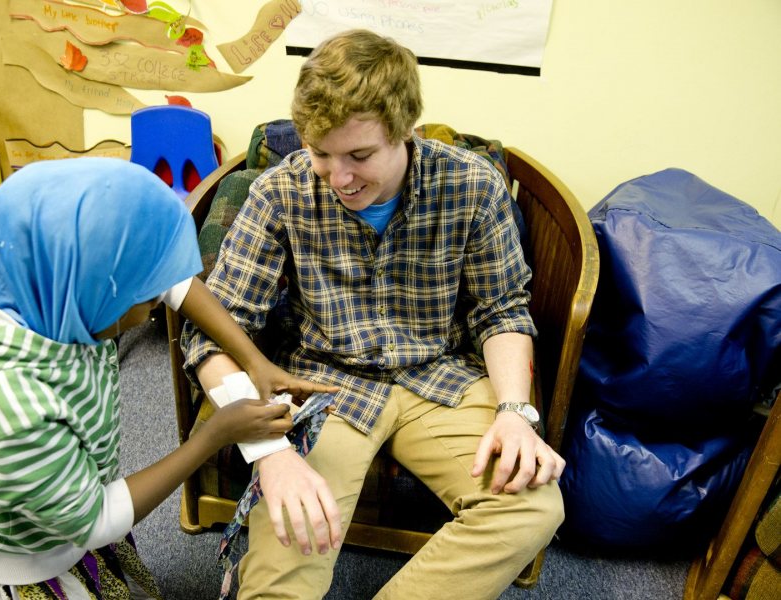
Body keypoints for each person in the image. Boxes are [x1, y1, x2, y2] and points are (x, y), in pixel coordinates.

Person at [181, 29, 566, 599]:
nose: (339, 178)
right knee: (279, 573)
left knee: (532, 509)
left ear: (406, 130)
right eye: (320, 154)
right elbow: (213, 335)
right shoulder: (278, 192)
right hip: (323, 384)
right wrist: (271, 455)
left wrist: (515, 411)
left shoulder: (472, 186)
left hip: (440, 376)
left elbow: (502, 310)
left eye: (360, 156)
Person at [0, 157, 336, 600]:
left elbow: (172, 282)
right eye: (146, 298)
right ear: (97, 291)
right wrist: (211, 437)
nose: (156, 307)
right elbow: (94, 519)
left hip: (39, 487)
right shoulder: (9, 414)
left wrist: (252, 358)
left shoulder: (38, 279)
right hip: (14, 556)